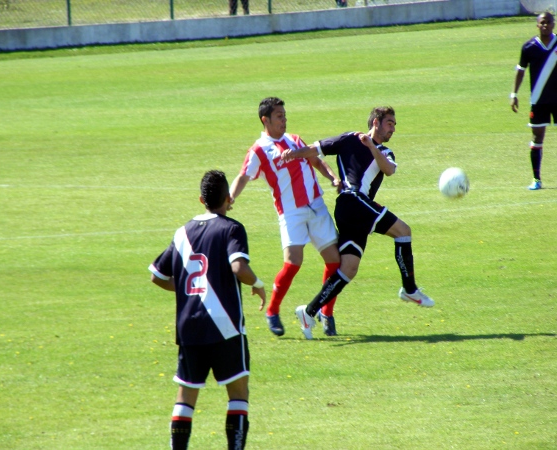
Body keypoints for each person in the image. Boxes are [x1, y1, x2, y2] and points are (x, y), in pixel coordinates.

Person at [280, 106, 435, 340]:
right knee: (403, 231)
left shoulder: (385, 152)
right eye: (390, 123)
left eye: (394, 125)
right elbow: (315, 149)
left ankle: (308, 312)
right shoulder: (349, 139)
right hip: (351, 201)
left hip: (355, 210)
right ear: (376, 122)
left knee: (349, 268)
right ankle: (410, 289)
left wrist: (371, 146)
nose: (393, 129)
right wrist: (293, 153)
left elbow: (389, 170)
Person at [149, 170, 266, 450]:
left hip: (189, 326)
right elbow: (239, 267)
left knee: (186, 394)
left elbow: (157, 276)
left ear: (201, 199)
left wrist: (190, 289)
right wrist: (258, 284)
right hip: (225, 326)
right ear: (229, 199)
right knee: (238, 392)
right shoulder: (231, 228)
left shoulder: (182, 233)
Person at [230, 97, 342, 338]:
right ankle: (272, 311)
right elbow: (243, 176)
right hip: (291, 212)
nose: (284, 120)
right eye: (279, 116)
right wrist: (230, 197)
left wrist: (333, 178)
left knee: (335, 262)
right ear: (265, 120)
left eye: (284, 115)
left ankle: (327, 312)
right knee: (293, 263)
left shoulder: (295, 140)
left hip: (317, 206)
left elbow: (316, 161)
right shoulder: (259, 150)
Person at [511, 11, 557, 190]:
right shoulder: (529, 47)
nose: (545, 25)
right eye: (542, 22)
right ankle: (536, 179)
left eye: (548, 22)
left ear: (553, 24)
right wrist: (514, 94)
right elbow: (521, 71)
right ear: (537, 25)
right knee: (537, 137)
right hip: (539, 100)